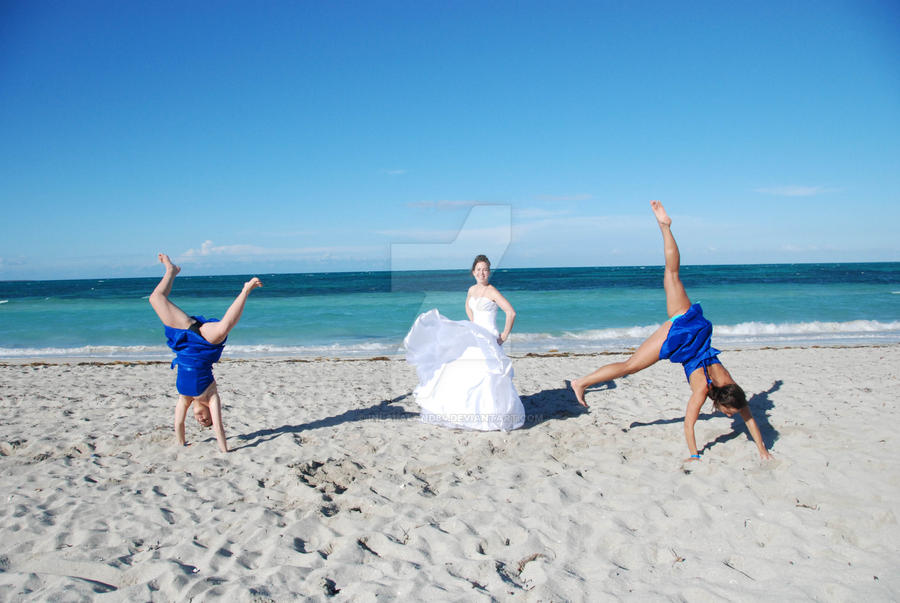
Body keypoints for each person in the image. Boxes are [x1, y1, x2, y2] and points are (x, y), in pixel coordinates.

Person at [570, 202, 773, 462]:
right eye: (728, 412)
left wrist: (763, 451)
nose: (729, 415)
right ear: (722, 402)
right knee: (630, 365)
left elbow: (752, 419)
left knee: (673, 272)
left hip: (693, 324)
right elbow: (688, 425)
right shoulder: (702, 392)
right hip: (678, 335)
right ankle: (580, 382)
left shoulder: (733, 388)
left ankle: (664, 227)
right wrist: (694, 455)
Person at [149, 254, 262, 452]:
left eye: (200, 421)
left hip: (183, 340)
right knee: (224, 327)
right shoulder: (212, 396)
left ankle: (171, 271)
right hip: (203, 346)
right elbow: (219, 426)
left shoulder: (185, 398)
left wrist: (181, 443)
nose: (201, 419)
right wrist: (224, 449)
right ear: (210, 411)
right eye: (205, 419)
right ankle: (246, 289)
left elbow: (178, 424)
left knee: (155, 298)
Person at [404, 254, 525, 431]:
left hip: (489, 337)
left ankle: (491, 415)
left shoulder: (492, 291)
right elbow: (468, 307)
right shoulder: (471, 290)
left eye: (485, 270)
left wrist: (504, 334)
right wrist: (473, 324)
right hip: (475, 333)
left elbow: (511, 312)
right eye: (478, 270)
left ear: (489, 272)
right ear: (473, 272)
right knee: (465, 370)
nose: (482, 273)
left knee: (489, 374)